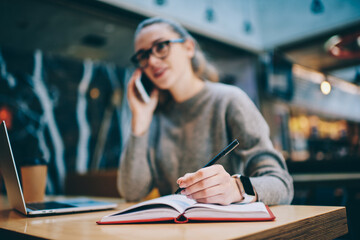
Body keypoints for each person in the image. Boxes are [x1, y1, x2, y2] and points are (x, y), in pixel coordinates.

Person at [117, 17, 293, 205]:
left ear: (189, 47)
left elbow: (281, 185)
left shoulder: (230, 100)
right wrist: (139, 123)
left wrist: (237, 188)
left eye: (160, 46)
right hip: (176, 230)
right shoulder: (154, 116)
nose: (151, 61)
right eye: (143, 56)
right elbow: (131, 191)